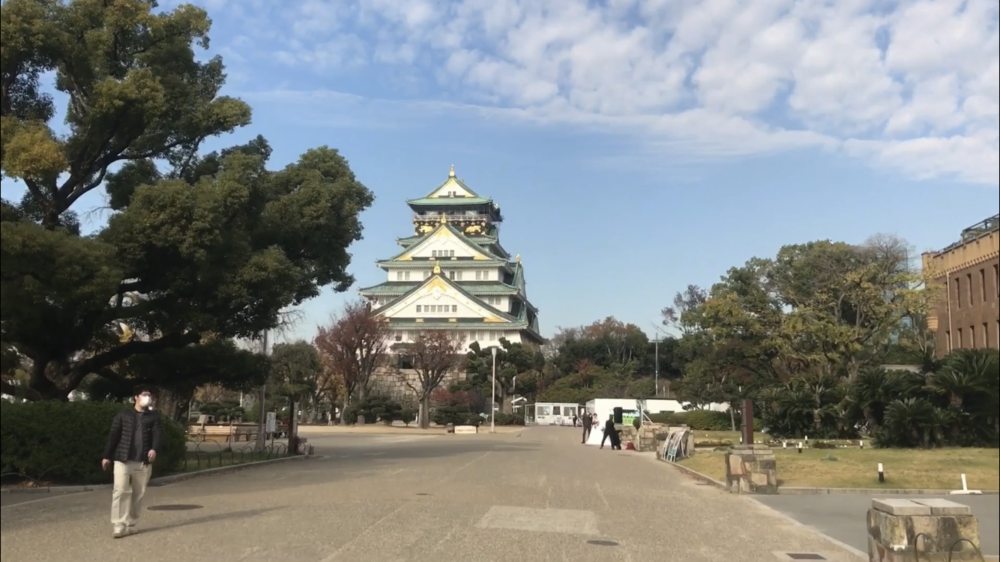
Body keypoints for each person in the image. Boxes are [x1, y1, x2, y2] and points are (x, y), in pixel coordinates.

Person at [102, 386, 162, 538]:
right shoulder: (124, 414)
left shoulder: (153, 416)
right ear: (136, 397)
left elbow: (158, 434)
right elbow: (114, 435)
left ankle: (131, 524)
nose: (147, 397)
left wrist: (154, 449)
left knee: (137, 494)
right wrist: (106, 456)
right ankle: (118, 524)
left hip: (143, 462)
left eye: (149, 394)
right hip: (123, 459)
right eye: (144, 394)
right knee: (120, 490)